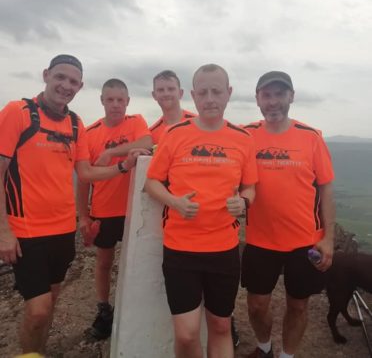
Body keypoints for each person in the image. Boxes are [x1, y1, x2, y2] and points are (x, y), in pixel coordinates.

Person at [0, 55, 149, 355]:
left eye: (72, 81)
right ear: (46, 75)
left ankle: (36, 352)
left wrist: (122, 167)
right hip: (26, 230)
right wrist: (3, 230)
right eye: (60, 77)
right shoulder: (18, 112)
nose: (65, 86)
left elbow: (86, 173)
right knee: (39, 310)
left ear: (79, 87)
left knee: (50, 303)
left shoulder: (74, 123)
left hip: (63, 230)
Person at [145, 64, 258, 358]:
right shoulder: (174, 134)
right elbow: (152, 182)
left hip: (224, 249)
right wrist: (175, 202)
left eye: (216, 91)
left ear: (228, 94)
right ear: (193, 96)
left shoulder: (243, 138)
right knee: (186, 334)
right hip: (180, 248)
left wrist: (243, 202)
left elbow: (250, 188)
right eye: (203, 92)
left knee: (221, 326)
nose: (210, 98)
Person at [241, 71, 335, 358]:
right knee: (256, 304)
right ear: (257, 99)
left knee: (298, 304)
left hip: (305, 241)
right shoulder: (245, 135)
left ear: (291, 97)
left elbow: (326, 189)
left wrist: (329, 238)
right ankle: (265, 347)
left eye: (280, 94)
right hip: (260, 239)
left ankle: (287, 355)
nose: (273, 102)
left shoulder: (311, 138)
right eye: (266, 95)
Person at [76, 78, 152, 339]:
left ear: (128, 102)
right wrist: (83, 215)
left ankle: (137, 308)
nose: (116, 105)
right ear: (102, 101)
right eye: (110, 99)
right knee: (104, 262)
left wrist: (111, 153)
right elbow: (83, 179)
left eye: (121, 100)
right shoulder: (89, 133)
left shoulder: (136, 122)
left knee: (139, 262)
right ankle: (104, 309)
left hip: (134, 209)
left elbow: (147, 140)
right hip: (104, 209)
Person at [149, 70, 195, 144]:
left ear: (180, 93)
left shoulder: (199, 123)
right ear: (154, 95)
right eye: (161, 90)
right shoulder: (151, 134)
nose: (166, 93)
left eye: (171, 89)